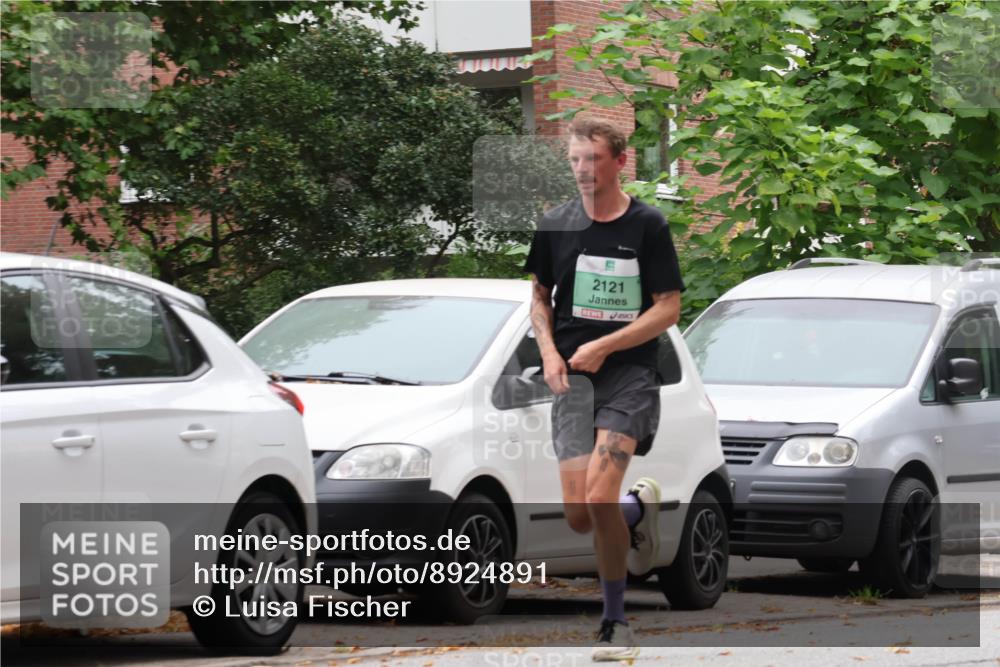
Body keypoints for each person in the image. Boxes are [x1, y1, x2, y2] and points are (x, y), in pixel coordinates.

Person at [524, 117, 684, 662]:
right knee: (579, 515)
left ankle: (614, 623)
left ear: (620, 161)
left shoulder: (648, 225)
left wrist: (607, 346)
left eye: (592, 159)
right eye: (574, 159)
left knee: (598, 498)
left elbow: (668, 307)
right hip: (573, 378)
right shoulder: (555, 224)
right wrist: (549, 352)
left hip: (629, 374)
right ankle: (637, 510)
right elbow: (539, 296)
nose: (582, 169)